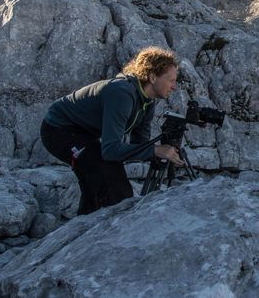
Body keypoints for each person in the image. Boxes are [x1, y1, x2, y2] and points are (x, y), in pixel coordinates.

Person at [40, 46, 184, 215]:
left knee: (105, 180)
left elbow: (139, 145)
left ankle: (85, 226)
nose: (174, 87)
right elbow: (110, 151)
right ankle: (93, 230)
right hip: (58, 130)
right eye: (171, 80)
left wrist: (161, 152)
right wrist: (156, 150)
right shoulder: (122, 94)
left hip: (83, 133)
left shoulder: (147, 102)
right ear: (152, 77)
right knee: (112, 185)